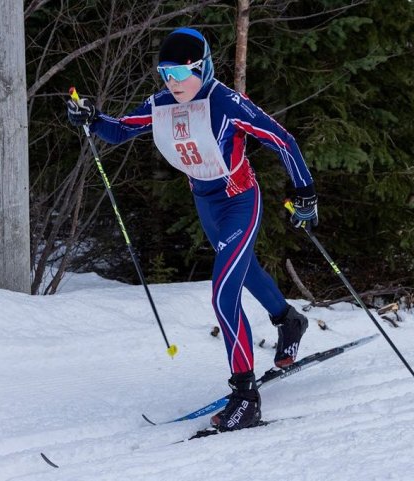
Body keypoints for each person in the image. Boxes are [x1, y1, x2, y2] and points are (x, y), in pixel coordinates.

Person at [67, 27, 318, 431]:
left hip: (240, 201)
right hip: (206, 205)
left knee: (223, 295)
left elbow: (283, 140)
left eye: (183, 74)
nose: (174, 83)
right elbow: (119, 129)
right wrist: (91, 118)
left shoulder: (226, 102)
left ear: (203, 67)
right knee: (245, 270)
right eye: (166, 74)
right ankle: (289, 319)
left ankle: (245, 397)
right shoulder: (163, 103)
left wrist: (305, 192)